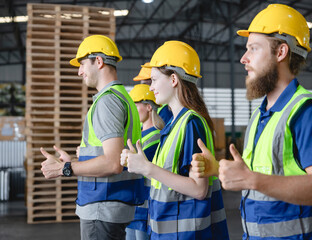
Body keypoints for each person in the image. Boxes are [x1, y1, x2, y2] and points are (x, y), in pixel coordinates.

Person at [191, 4, 312, 240]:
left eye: (253, 49)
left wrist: (251, 179)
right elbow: (262, 172)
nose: (244, 58)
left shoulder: (308, 111)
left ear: (281, 52)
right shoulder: (260, 114)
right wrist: (218, 169)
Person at [121, 40, 229, 239]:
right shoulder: (173, 125)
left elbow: (199, 189)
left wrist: (147, 168)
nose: (150, 88)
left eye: (153, 80)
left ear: (173, 79)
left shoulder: (191, 123)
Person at [40, 35, 144, 240]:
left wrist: (64, 169)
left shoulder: (107, 102)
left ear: (99, 61)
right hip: (113, 204)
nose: (79, 72)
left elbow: (112, 163)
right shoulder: (123, 97)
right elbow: (110, 154)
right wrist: (76, 161)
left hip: (102, 207)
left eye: (82, 64)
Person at [125, 84, 163, 240]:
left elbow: (136, 166)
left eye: (136, 105)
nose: (132, 109)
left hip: (145, 204)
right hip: (134, 202)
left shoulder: (156, 136)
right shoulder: (139, 134)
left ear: (148, 107)